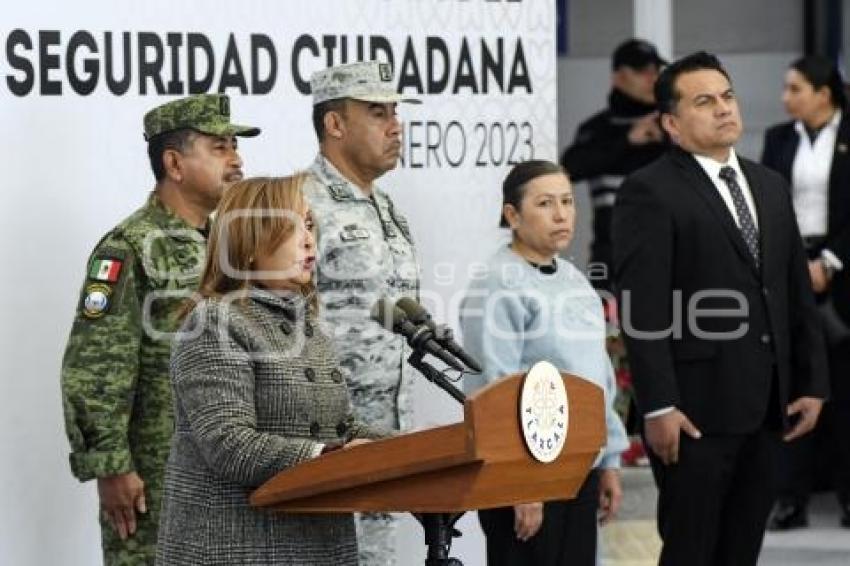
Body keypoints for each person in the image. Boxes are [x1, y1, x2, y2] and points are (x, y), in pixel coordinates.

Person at [611, 51, 829, 566]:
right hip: (694, 413)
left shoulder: (769, 185)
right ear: (671, 122)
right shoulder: (650, 192)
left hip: (766, 405)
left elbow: (794, 290)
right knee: (691, 550)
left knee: (741, 552)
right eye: (704, 101)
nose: (724, 109)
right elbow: (642, 308)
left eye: (727, 97)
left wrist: (812, 380)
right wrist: (659, 405)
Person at [60, 94, 258, 565]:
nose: (237, 160)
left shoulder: (225, 245)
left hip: (224, 476)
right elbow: (95, 364)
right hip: (157, 480)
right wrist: (110, 466)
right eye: (220, 147)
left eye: (234, 146)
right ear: (174, 162)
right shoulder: (130, 247)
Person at [156, 175, 384, 565]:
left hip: (316, 542)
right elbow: (228, 443)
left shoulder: (307, 323)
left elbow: (341, 429)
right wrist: (332, 456)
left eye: (310, 224)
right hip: (240, 547)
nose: (309, 240)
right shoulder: (214, 323)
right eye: (292, 226)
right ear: (248, 242)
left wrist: (411, 448)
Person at [459, 160, 628, 566]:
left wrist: (609, 461)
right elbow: (492, 389)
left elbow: (598, 375)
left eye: (568, 202)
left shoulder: (574, 279)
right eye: (545, 204)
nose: (561, 214)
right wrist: (518, 484)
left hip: (578, 469)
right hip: (526, 477)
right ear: (512, 215)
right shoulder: (497, 284)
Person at [303, 60, 420, 565]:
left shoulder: (387, 208)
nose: (395, 125)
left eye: (395, 112)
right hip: (327, 441)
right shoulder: (300, 204)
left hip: (385, 436)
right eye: (377, 113)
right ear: (335, 124)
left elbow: (388, 309)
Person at [761, 55, 850, 530]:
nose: (785, 97)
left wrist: (832, 261)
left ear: (823, 93)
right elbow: (768, 204)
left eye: (795, 88)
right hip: (792, 269)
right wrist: (797, 263)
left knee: (843, 387)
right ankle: (790, 498)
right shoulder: (779, 138)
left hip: (840, 273)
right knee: (794, 384)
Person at [560, 38, 667, 291]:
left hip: (671, 256)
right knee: (610, 330)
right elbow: (570, 168)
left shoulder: (673, 126)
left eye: (656, 71)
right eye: (642, 72)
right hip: (612, 260)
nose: (652, 79)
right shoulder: (597, 129)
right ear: (618, 77)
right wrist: (628, 140)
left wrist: (668, 142)